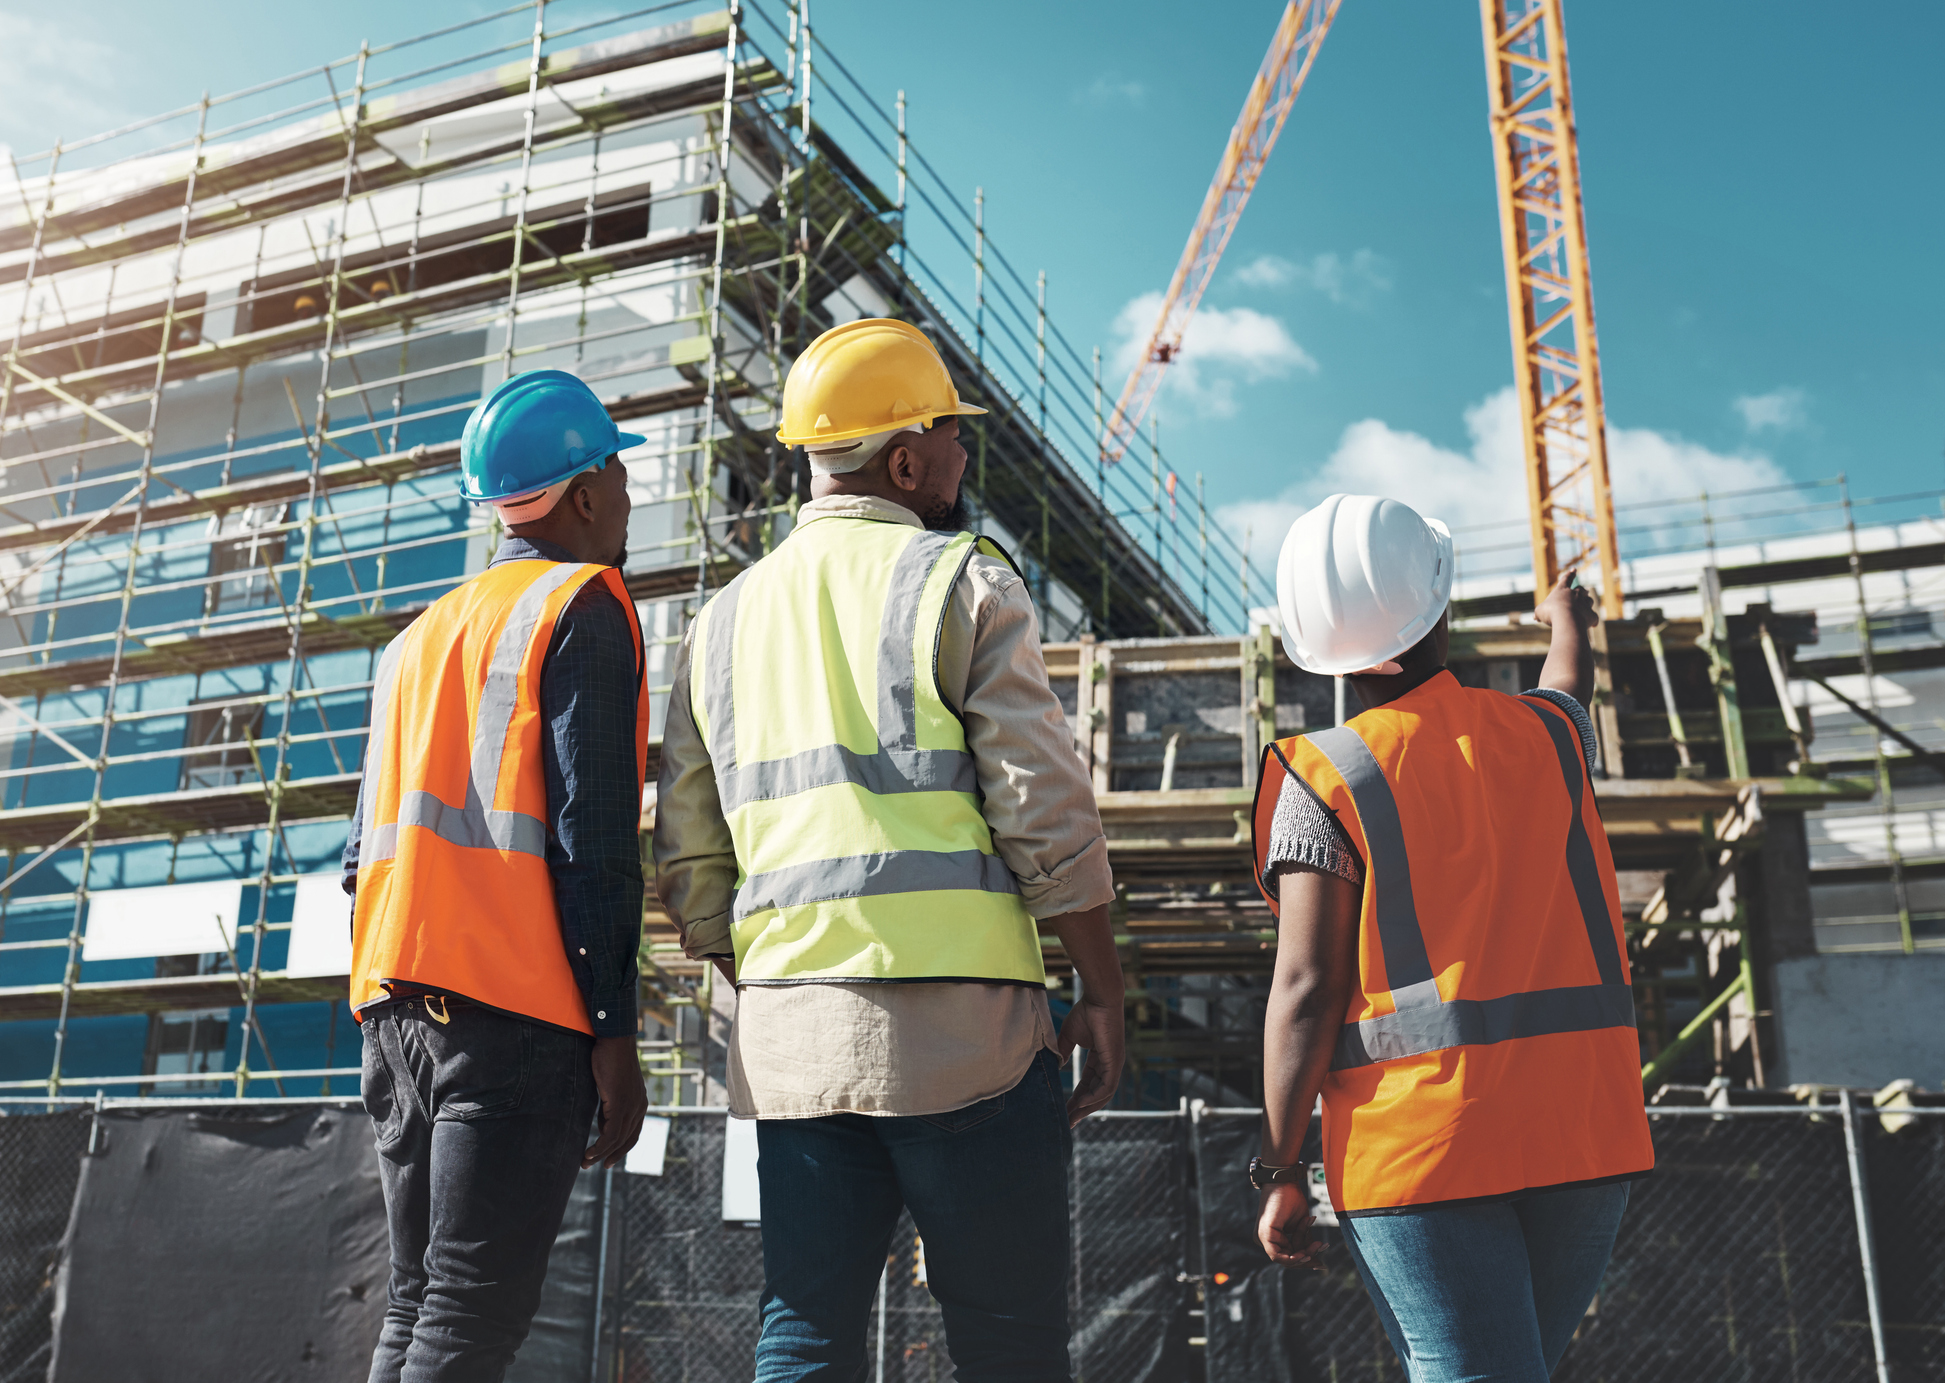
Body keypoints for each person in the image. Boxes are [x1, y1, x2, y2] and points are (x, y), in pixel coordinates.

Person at [654, 317, 1126, 1382]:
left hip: (791, 1043)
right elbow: (1043, 810)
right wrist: (1100, 988)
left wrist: (773, 984)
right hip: (967, 1040)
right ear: (904, 458)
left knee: (804, 1329)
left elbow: (688, 855)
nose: (966, 456)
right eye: (956, 435)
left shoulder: (719, 621)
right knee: (1006, 1340)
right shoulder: (961, 580)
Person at [1249, 494, 1653, 1382]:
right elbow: (1566, 684)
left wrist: (1276, 1167)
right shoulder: (1546, 739)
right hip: (1581, 1130)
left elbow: (1305, 991)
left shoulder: (1326, 776)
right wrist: (1567, 617)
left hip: (1422, 1148)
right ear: (1441, 609)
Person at [343, 369, 652, 1382]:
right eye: (617, 470)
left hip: (392, 1015)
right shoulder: (582, 604)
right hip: (515, 1012)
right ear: (585, 491)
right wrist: (615, 1033)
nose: (628, 495)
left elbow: (361, 861)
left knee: (417, 1307)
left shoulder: (414, 642)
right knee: (469, 1319)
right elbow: (592, 839)